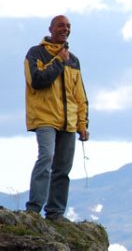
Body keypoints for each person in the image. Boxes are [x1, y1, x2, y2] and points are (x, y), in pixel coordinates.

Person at [24, 14, 89, 221]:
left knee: (63, 169)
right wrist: (59, 62)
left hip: (68, 122)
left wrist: (83, 124)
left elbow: (80, 95)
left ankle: (55, 213)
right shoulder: (35, 53)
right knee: (46, 158)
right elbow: (36, 80)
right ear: (51, 29)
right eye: (61, 25)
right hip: (44, 119)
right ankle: (33, 209)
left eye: (68, 26)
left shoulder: (75, 60)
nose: (66, 29)